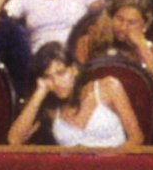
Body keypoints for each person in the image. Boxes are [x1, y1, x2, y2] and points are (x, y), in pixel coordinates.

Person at [8, 41, 143, 147]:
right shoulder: (50, 109)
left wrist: (104, 164)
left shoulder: (108, 87)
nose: (56, 82)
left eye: (61, 73)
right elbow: (14, 140)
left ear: (74, 70)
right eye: (48, 77)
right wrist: (40, 92)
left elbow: (136, 138)